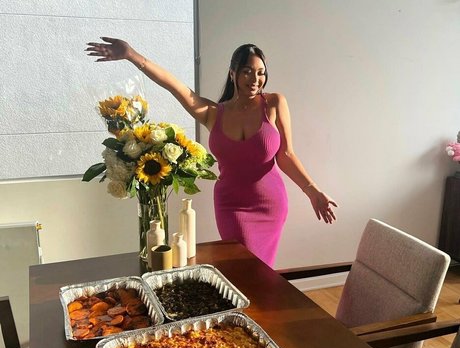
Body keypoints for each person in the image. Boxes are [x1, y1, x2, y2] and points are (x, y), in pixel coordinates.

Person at [85, 37, 338, 267]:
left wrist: (313, 191)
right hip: (231, 206)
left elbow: (286, 155)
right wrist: (131, 55)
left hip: (270, 204)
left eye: (261, 73)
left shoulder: (274, 103)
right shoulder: (213, 113)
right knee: (242, 270)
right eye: (247, 71)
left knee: (261, 273)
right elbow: (176, 87)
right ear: (233, 73)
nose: (255, 79)